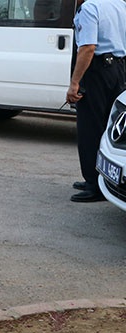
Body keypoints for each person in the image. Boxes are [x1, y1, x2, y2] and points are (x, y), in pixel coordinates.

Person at [66, 0, 126, 202]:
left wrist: (75, 83)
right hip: (118, 69)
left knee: (90, 128)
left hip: (97, 71)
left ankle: (94, 184)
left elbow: (88, 48)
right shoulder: (119, 4)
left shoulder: (90, 8)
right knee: (109, 130)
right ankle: (105, 180)